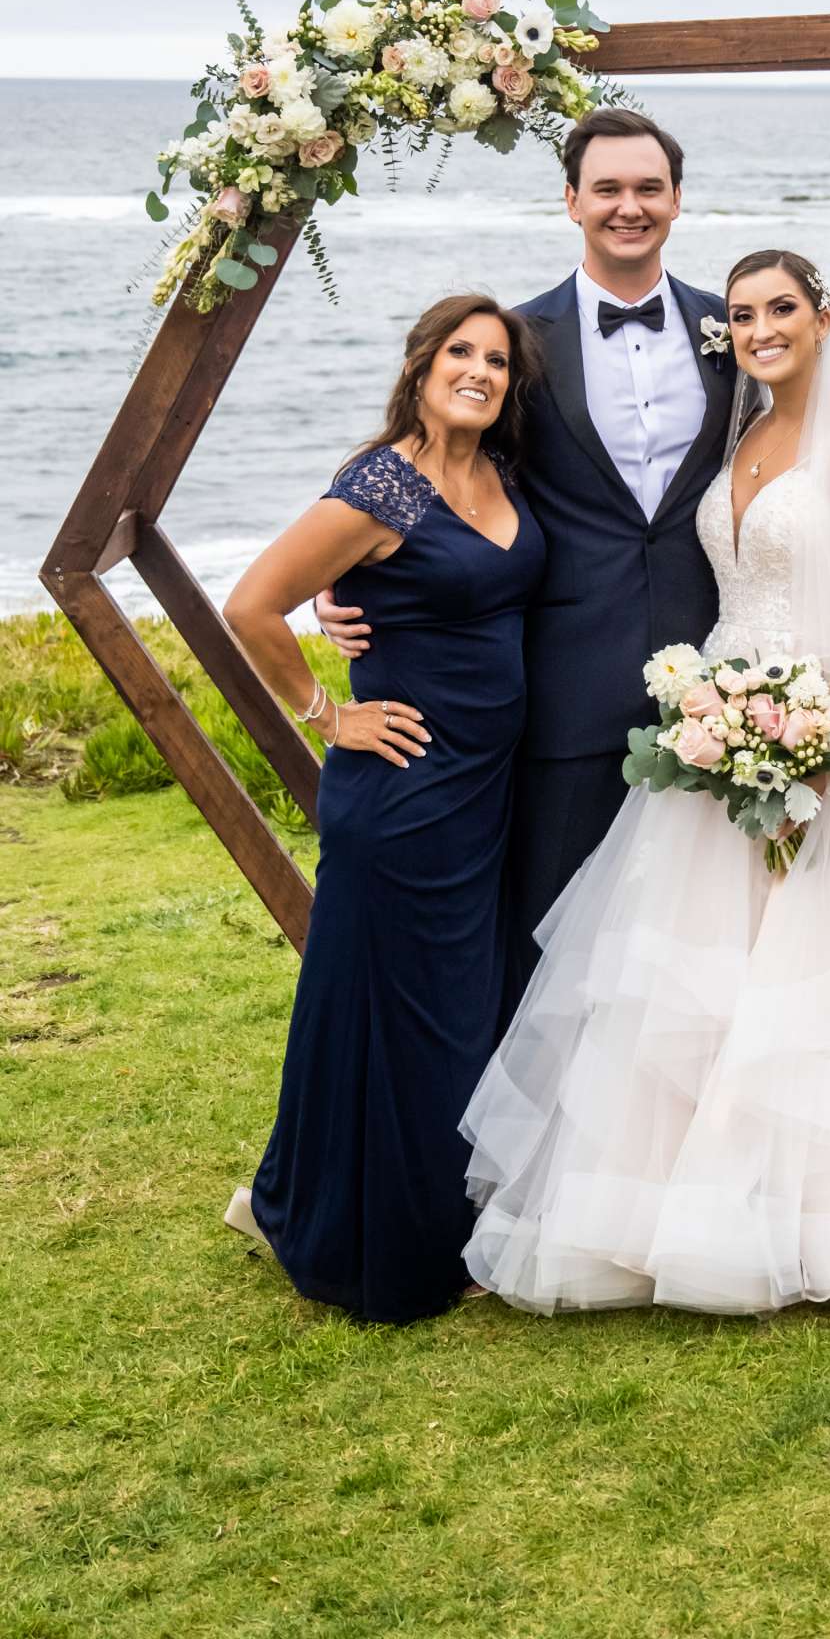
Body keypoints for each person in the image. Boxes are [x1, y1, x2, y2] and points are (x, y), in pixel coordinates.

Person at [460, 251, 830, 1328]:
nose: (759, 329)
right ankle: (671, 1217)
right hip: (711, 732)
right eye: (743, 313)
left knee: (817, 988)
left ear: (821, 317)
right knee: (688, 987)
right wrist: (718, 718)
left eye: (781, 310)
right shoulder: (739, 436)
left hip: (818, 737)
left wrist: (819, 735)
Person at [316, 109, 734, 1002]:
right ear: (571, 200)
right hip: (560, 688)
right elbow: (437, 464)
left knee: (702, 936)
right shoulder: (516, 343)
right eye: (609, 189)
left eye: (648, 188)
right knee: (549, 936)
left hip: (717, 678)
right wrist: (353, 575)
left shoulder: (730, 331)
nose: (630, 206)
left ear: (678, 200)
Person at [220, 295, 546, 1322]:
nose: (480, 371)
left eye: (496, 360)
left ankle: (301, 1196)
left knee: (448, 1013)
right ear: (419, 365)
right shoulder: (383, 485)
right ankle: (376, 1243)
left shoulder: (498, 472)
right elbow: (249, 605)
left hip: (482, 793)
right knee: (397, 1020)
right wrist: (327, 713)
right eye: (461, 351)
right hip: (403, 797)